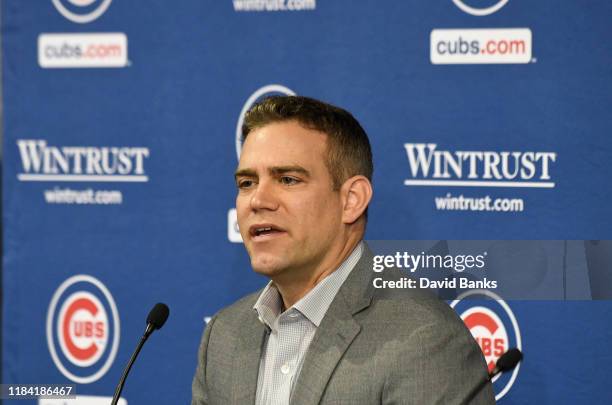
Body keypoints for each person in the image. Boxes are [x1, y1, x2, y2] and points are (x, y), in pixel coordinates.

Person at [192, 96, 494, 404]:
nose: (258, 200)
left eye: (288, 179)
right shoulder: (224, 334)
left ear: (351, 200)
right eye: (246, 183)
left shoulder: (424, 341)